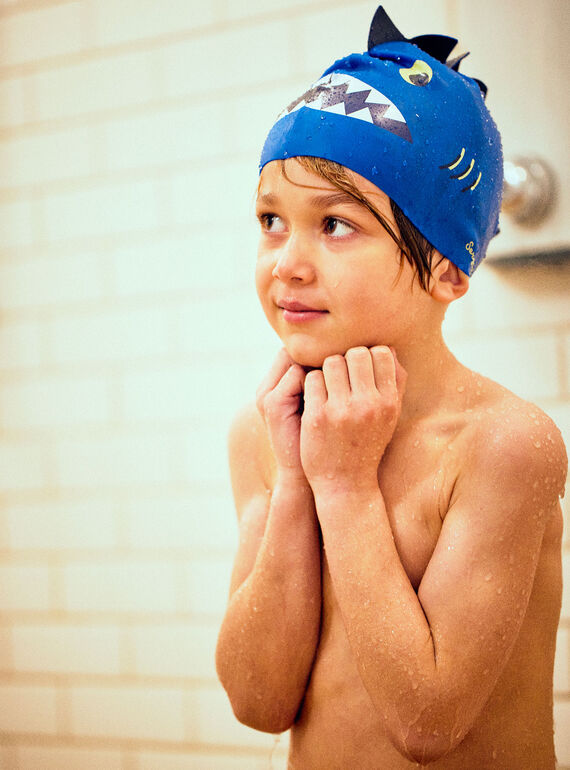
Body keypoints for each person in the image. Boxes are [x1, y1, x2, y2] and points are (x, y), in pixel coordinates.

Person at [215, 6, 567, 768]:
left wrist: (342, 486)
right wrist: (297, 485)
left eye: (335, 225)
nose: (287, 263)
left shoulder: (500, 443)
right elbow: (256, 700)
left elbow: (428, 723)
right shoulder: (261, 433)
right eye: (271, 221)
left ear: (447, 265)